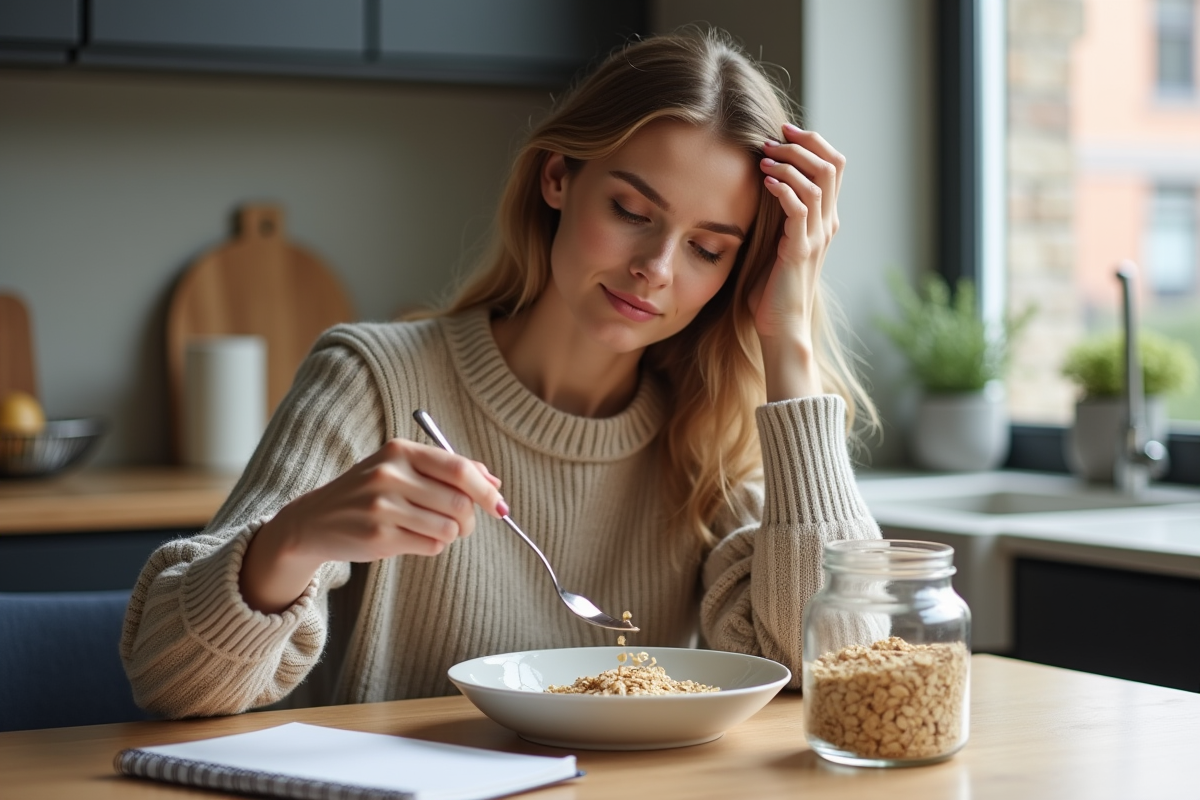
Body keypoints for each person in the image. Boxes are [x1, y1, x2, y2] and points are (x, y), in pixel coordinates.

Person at [121, 27, 882, 718]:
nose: (655, 268)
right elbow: (170, 681)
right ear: (557, 178)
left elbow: (831, 666)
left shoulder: (713, 433)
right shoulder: (372, 381)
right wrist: (294, 540)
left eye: (708, 249)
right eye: (629, 209)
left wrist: (789, 342)